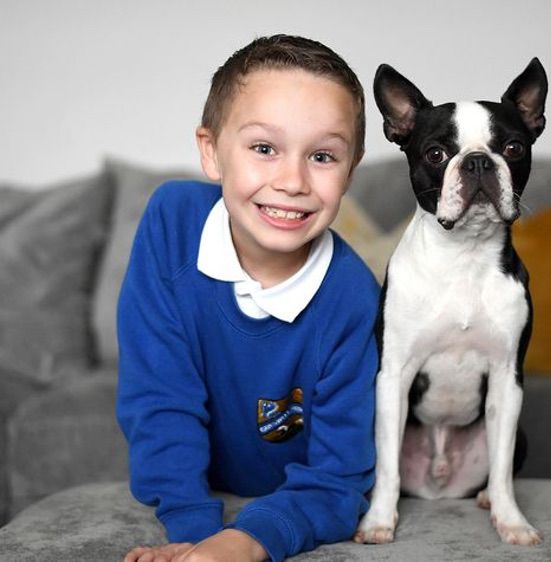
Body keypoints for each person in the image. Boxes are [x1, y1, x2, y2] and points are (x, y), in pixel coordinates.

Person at [117, 34, 379, 562]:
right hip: (202, 482)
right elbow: (159, 396)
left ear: (350, 171)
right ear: (211, 152)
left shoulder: (353, 295)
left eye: (323, 156)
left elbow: (339, 478)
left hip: (290, 491)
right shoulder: (172, 222)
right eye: (264, 148)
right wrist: (191, 532)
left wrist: (245, 541)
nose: (292, 181)